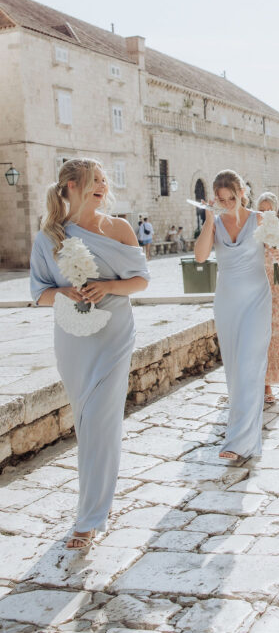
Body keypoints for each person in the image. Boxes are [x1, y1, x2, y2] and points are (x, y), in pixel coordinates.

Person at [29, 158, 150, 550]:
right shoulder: (48, 236)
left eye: (102, 180)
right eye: (92, 180)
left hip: (114, 336)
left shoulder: (120, 228)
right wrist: (63, 292)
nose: (101, 185)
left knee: (100, 419)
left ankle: (89, 519)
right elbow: (38, 292)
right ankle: (93, 505)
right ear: (70, 186)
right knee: (87, 423)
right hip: (73, 337)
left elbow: (141, 281)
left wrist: (108, 287)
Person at [195, 170, 271, 466]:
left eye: (232, 197)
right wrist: (208, 221)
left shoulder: (259, 219)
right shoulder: (214, 222)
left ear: (242, 193)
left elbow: (277, 250)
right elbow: (201, 257)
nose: (227, 203)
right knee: (235, 368)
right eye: (221, 199)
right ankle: (248, 441)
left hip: (257, 299)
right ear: (215, 198)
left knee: (250, 365)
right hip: (227, 301)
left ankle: (237, 440)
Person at [256, 194, 279, 405]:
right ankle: (259, 383)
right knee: (257, 331)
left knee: (274, 331)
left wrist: (274, 242)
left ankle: (268, 381)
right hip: (257, 281)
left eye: (269, 209)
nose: (265, 213)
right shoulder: (253, 232)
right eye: (262, 209)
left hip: (276, 282)